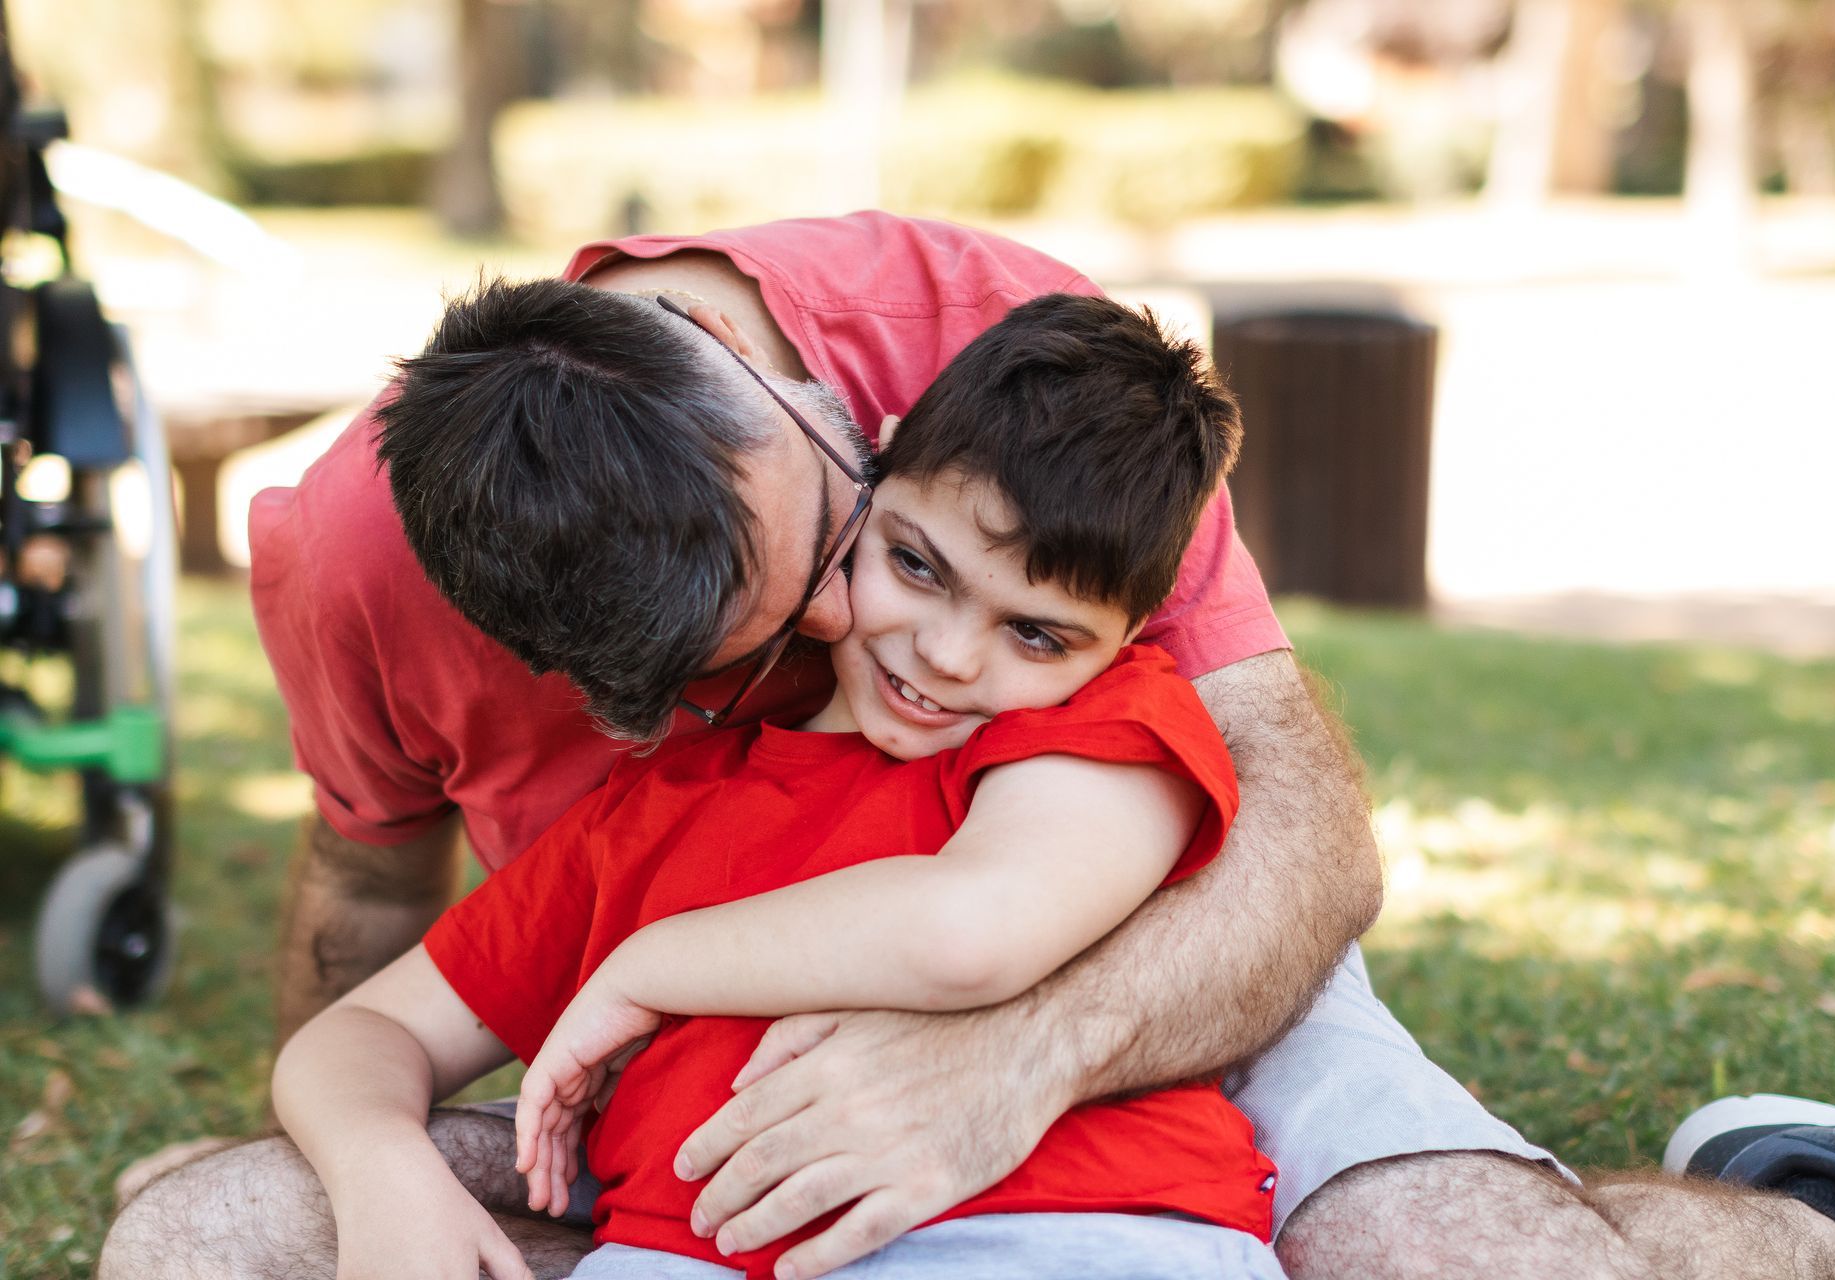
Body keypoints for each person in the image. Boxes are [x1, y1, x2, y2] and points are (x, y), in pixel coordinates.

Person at [99, 212, 1835, 1280]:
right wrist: (372, 1155)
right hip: (672, 1104)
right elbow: (367, 904)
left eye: (844, 556)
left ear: (817, 403)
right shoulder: (368, 555)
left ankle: (1805, 1205)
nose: (883, 650)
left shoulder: (1008, 382)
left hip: (1127, 984)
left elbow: (1291, 841)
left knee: (1461, 1253)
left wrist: (1020, 1061)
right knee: (201, 1228)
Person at [273, 291, 1285, 1280]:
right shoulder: (648, 810)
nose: (946, 653)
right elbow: (364, 1033)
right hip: (677, 1251)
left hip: (1075, 1230)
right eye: (916, 565)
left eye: (1036, 631)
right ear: (881, 471)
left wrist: (642, 965)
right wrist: (380, 1166)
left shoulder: (1097, 724)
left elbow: (969, 931)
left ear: (1126, 636)